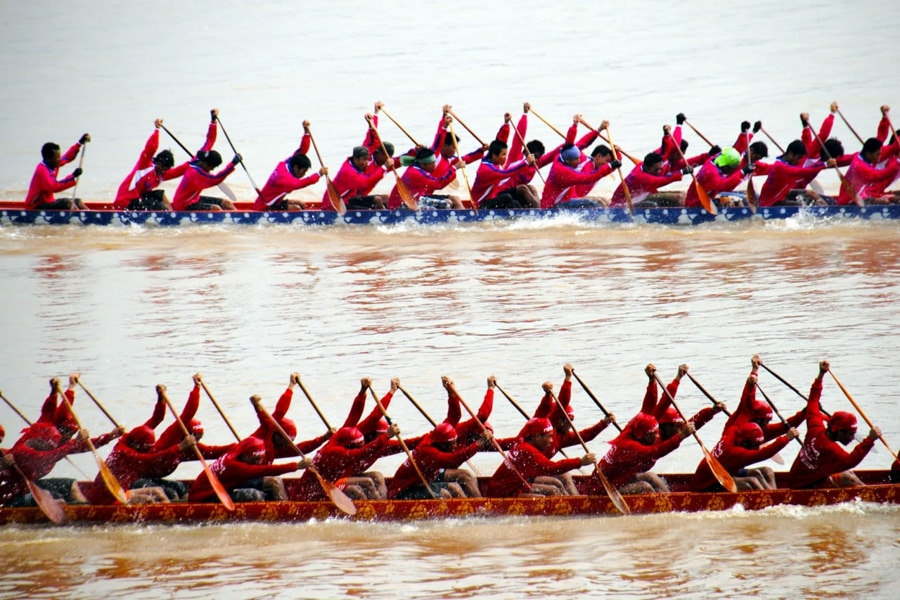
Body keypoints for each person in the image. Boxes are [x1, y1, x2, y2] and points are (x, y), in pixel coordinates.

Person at [789, 360, 880, 488]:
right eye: (851, 434)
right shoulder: (832, 450)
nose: (853, 438)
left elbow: (813, 400)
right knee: (849, 478)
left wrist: (821, 375)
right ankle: (875, 497)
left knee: (848, 473)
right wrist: (870, 439)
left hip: (795, 478)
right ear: (840, 431)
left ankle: (869, 491)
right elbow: (852, 460)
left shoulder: (815, 427)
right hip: (802, 486)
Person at [84, 422, 198, 505]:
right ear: (136, 444)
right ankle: (172, 519)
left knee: (157, 491)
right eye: (146, 448)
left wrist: (161, 402)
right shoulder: (126, 453)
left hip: (119, 491)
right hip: (109, 497)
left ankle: (169, 514)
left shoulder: (125, 441)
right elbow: (150, 459)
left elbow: (154, 420)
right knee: (152, 497)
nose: (147, 450)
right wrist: (179, 448)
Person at [484, 417, 594, 497]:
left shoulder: (521, 439)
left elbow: (538, 416)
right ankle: (572, 508)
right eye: (549, 437)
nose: (551, 441)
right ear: (537, 437)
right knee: (553, 491)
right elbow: (553, 468)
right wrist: (580, 461)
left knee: (556, 485)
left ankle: (574, 501)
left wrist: (547, 396)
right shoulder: (528, 451)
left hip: (517, 485)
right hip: (502, 492)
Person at [294, 420, 401, 501]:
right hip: (321, 490)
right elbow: (363, 452)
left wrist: (362, 393)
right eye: (356, 446)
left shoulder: (336, 439)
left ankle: (383, 503)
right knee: (362, 486)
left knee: (377, 476)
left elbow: (354, 415)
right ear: (349, 445)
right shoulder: (339, 452)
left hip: (333, 482)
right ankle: (375, 512)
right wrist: (387, 436)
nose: (358, 448)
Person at [188, 436, 310, 503]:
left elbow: (266, 427)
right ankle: (284, 513)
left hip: (226, 485)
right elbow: (265, 470)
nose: (259, 463)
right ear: (246, 456)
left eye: (261, 458)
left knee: (274, 481)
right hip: (205, 497)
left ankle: (282, 506)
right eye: (256, 460)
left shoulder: (237, 448)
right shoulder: (235, 466)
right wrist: (296, 466)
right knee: (255, 495)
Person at [388, 422, 492, 499]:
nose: (455, 446)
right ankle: (459, 516)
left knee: (454, 487)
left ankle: (475, 508)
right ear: (444, 444)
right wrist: (479, 444)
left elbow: (454, 416)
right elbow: (453, 460)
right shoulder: (430, 453)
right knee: (444, 495)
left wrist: (452, 395)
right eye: (453, 443)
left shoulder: (432, 438)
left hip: (420, 485)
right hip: (402, 492)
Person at [691, 420, 798, 492]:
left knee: (767, 471)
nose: (757, 448)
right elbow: (765, 453)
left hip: (726, 472)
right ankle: (771, 501)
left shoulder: (732, 432)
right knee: (751, 482)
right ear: (746, 443)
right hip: (709, 482)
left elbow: (743, 411)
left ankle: (774, 496)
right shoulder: (737, 453)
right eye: (755, 445)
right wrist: (786, 438)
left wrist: (750, 386)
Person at [171, 109, 239, 211]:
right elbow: (216, 179)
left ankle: (239, 220)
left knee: (226, 203)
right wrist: (233, 163)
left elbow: (210, 140)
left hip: (194, 199)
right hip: (183, 206)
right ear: (206, 164)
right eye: (211, 167)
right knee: (216, 209)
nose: (211, 170)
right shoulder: (196, 174)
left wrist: (213, 121)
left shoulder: (199, 158)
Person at [253, 121, 326, 211]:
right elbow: (302, 183)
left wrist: (306, 133)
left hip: (273, 202)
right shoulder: (286, 179)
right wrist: (318, 174)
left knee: (300, 203)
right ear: (296, 168)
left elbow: (302, 150)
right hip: (264, 208)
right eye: (303, 172)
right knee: (296, 209)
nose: (304, 174)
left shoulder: (285, 163)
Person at [113, 119, 184, 211]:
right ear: (158, 163)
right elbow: (150, 148)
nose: (164, 171)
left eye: (166, 169)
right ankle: (168, 217)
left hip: (137, 199)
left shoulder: (162, 174)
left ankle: (172, 214)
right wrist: (157, 130)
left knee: (160, 195)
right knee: (159, 207)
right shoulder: (145, 165)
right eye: (163, 168)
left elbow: (181, 170)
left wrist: (197, 161)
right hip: (125, 202)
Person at [540, 139, 620, 209]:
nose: (607, 164)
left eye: (609, 162)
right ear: (598, 156)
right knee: (594, 204)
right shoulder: (583, 161)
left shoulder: (600, 169)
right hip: (564, 200)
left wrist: (617, 154)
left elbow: (614, 166)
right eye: (607, 161)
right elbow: (579, 144)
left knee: (604, 200)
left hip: (575, 199)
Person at [757, 140, 836, 207]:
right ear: (791, 154)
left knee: (811, 193)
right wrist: (824, 165)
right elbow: (801, 171)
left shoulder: (785, 163)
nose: (799, 161)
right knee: (801, 207)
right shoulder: (780, 166)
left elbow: (804, 169)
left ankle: (826, 208)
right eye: (798, 158)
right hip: (769, 203)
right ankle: (827, 212)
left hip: (783, 196)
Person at [24, 134, 89, 210]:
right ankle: (80, 219)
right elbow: (54, 187)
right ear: (48, 158)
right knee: (69, 203)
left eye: (59, 156)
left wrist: (80, 143)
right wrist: (73, 176)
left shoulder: (53, 163)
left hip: (48, 201)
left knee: (78, 201)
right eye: (57, 157)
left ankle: (90, 216)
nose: (60, 159)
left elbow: (67, 157)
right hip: (36, 205)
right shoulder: (42, 170)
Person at [387, 147, 465, 210]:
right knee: (447, 203)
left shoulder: (416, 167)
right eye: (432, 163)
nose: (435, 165)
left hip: (414, 199)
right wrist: (454, 168)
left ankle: (463, 219)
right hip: (401, 205)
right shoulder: (417, 173)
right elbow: (439, 184)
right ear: (423, 164)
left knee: (454, 199)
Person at [469, 139, 536, 209]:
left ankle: (529, 213)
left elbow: (502, 136)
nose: (505, 158)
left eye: (506, 154)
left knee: (515, 201)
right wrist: (526, 162)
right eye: (503, 154)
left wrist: (506, 127)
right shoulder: (487, 169)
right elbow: (506, 173)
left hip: (491, 199)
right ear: (494, 155)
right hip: (480, 206)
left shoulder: (491, 160)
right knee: (507, 197)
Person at [609, 152, 690, 209]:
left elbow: (663, 150)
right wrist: (682, 172)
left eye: (660, 169)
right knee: (679, 198)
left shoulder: (641, 165)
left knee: (682, 193)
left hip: (640, 197)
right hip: (623, 204)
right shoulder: (642, 177)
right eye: (656, 170)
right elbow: (664, 180)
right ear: (648, 168)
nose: (659, 172)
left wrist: (666, 135)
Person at [684, 147, 754, 209]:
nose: (732, 171)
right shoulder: (712, 173)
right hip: (696, 205)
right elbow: (725, 186)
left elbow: (731, 151)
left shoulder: (714, 159)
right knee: (735, 203)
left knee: (742, 199)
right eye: (733, 169)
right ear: (727, 167)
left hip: (705, 198)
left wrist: (743, 133)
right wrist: (742, 172)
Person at [837, 138, 900, 205]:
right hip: (850, 201)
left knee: (888, 200)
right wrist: (898, 162)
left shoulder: (858, 157)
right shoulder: (860, 166)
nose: (879, 158)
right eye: (877, 154)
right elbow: (879, 176)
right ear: (868, 153)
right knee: (885, 202)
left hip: (859, 197)